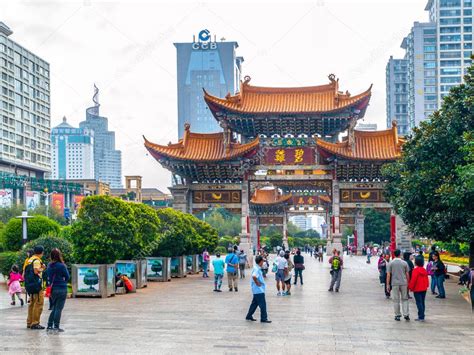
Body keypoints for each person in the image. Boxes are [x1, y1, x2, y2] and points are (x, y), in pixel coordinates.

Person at [46, 248, 70, 332]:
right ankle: (56, 326)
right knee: (59, 308)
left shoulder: (49, 265)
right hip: (61, 288)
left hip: (52, 289)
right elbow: (67, 277)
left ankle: (49, 325)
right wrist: (63, 281)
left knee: (54, 307)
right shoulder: (61, 265)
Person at [24, 245, 46, 329]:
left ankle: (29, 322)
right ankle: (35, 323)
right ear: (42, 252)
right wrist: (43, 268)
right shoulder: (36, 260)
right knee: (39, 303)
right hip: (37, 285)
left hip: (30, 285)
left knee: (32, 304)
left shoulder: (30, 260)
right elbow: (36, 271)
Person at [245, 255, 271, 323]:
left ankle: (249, 316)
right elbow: (254, 276)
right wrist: (257, 283)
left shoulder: (257, 268)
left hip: (257, 290)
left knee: (254, 304)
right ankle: (264, 318)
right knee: (263, 305)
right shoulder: (256, 269)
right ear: (260, 261)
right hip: (259, 290)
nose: (263, 262)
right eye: (262, 261)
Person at [386, 249, 410, 321]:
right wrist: (408, 283)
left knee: (396, 300)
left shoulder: (391, 263)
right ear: (400, 254)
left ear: (394, 254)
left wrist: (388, 285)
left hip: (394, 283)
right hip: (403, 283)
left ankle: (397, 315)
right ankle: (406, 314)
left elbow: (388, 275)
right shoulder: (404, 263)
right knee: (405, 299)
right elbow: (407, 274)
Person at [408, 256, 429, 322]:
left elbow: (413, 280)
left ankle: (421, 316)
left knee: (419, 303)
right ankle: (422, 316)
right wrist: (426, 285)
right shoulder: (424, 270)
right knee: (422, 302)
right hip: (424, 288)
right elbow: (427, 279)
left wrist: (410, 287)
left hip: (417, 289)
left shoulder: (415, 270)